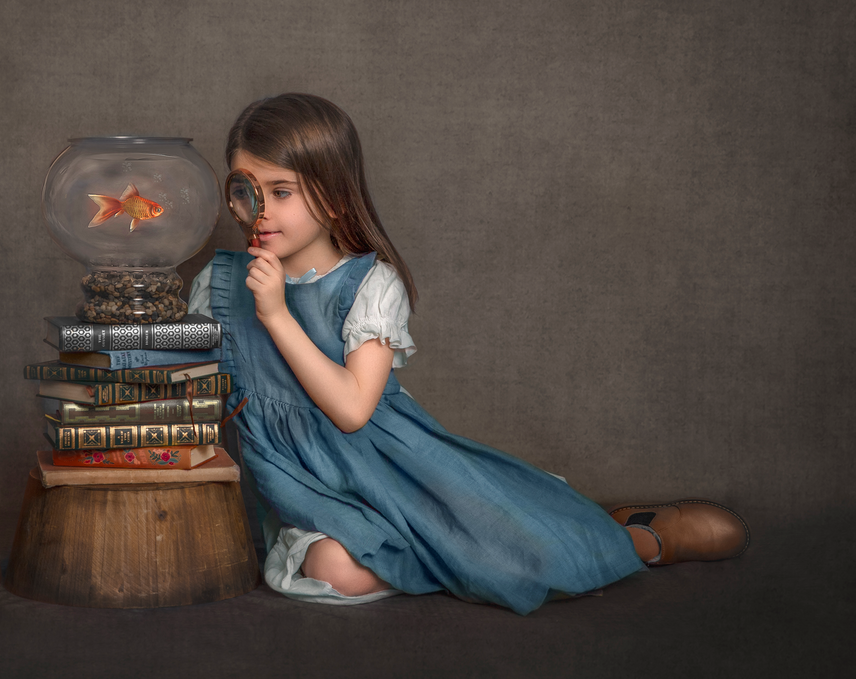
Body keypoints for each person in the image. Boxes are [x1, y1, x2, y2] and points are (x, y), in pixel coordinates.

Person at [187, 92, 748, 615]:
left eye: (281, 192)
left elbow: (353, 411)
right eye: (246, 190)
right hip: (290, 481)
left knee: (513, 549)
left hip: (383, 467)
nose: (258, 211)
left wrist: (278, 316)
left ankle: (636, 537)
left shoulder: (369, 284)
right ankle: (460, 549)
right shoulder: (220, 281)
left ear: (332, 197)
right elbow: (187, 381)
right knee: (337, 570)